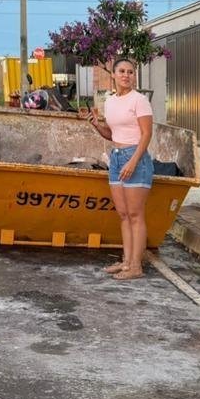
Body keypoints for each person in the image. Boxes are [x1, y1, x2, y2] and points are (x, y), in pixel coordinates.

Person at [84, 58, 153, 280]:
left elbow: (146, 134)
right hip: (116, 158)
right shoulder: (111, 102)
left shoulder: (139, 100)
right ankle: (126, 261)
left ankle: (136, 266)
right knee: (123, 214)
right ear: (113, 74)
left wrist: (133, 161)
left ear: (134, 76)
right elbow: (112, 134)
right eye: (122, 71)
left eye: (130, 72)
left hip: (136, 158)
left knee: (135, 214)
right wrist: (96, 125)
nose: (126, 75)